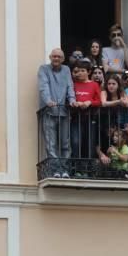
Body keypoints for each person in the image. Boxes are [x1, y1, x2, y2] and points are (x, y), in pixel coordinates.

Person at [38, 48, 75, 177]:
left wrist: (72, 100)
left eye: (59, 57)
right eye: (54, 56)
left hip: (64, 112)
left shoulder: (66, 70)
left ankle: (64, 170)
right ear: (50, 57)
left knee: (65, 143)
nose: (56, 59)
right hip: (49, 112)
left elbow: (70, 86)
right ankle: (55, 171)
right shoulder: (43, 69)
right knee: (51, 144)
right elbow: (44, 86)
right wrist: (48, 100)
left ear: (63, 59)